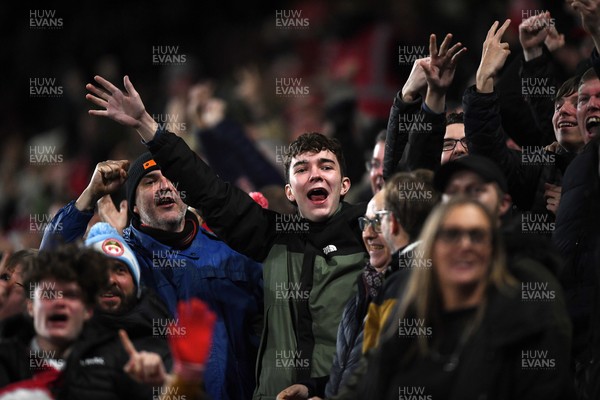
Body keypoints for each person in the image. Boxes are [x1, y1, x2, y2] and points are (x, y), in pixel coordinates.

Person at [84, 73, 370, 400]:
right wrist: (147, 125)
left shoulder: (369, 230)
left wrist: (420, 102)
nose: (315, 174)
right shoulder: (271, 238)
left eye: (326, 166)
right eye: (303, 168)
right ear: (290, 191)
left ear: (345, 184)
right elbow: (212, 193)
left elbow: (411, 190)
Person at [41, 160, 263, 399]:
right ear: (133, 206)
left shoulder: (232, 254)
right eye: (150, 181)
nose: (165, 186)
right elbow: (49, 267)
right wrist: (89, 195)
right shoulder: (121, 260)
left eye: (172, 178)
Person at [355, 198, 574, 399]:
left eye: (477, 235)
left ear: (493, 250)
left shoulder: (520, 332)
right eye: (452, 234)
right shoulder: (406, 325)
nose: (465, 244)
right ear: (432, 247)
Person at [277, 189, 393, 400]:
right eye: (364, 224)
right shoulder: (364, 291)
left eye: (377, 221)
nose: (367, 233)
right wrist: (311, 388)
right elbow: (354, 375)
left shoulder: (410, 294)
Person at [463, 19, 581, 218]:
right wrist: (484, 79)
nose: (563, 110)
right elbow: (489, 156)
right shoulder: (540, 166)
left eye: (578, 103)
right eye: (558, 105)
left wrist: (577, 210)